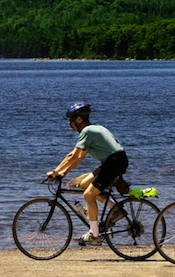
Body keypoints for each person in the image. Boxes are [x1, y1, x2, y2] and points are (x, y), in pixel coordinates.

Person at [46, 103, 128, 247]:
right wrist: (61, 172)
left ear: (78, 120)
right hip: (116, 160)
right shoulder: (96, 128)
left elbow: (74, 156)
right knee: (84, 185)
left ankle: (94, 234)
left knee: (88, 195)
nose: (69, 124)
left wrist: (57, 172)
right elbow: (77, 156)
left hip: (113, 162)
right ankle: (116, 210)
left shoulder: (87, 131)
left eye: (70, 120)